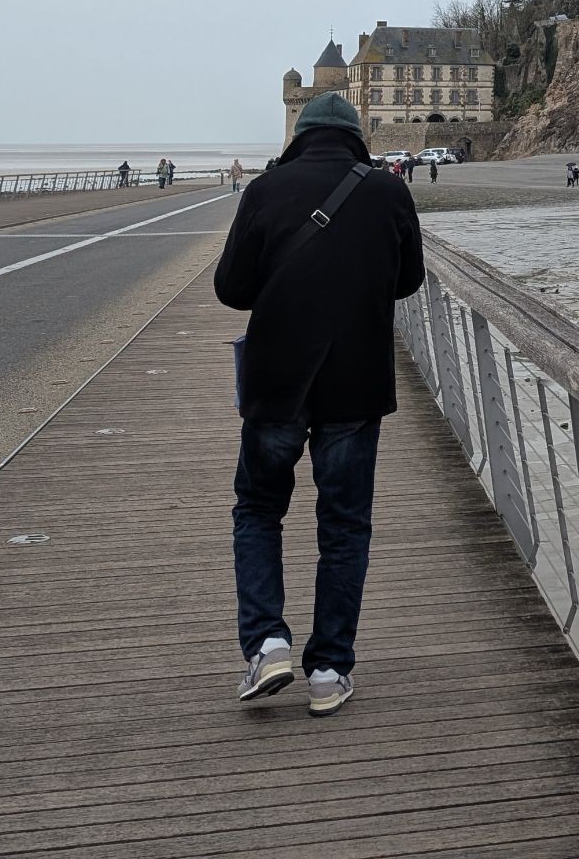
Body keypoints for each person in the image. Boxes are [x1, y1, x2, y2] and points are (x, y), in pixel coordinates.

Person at [215, 91, 422, 719]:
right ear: (355, 136)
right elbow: (408, 280)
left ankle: (268, 643)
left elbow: (231, 288)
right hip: (356, 382)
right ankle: (330, 669)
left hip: (278, 380)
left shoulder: (266, 190)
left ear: (299, 136)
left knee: (257, 510)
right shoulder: (388, 190)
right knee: (344, 524)